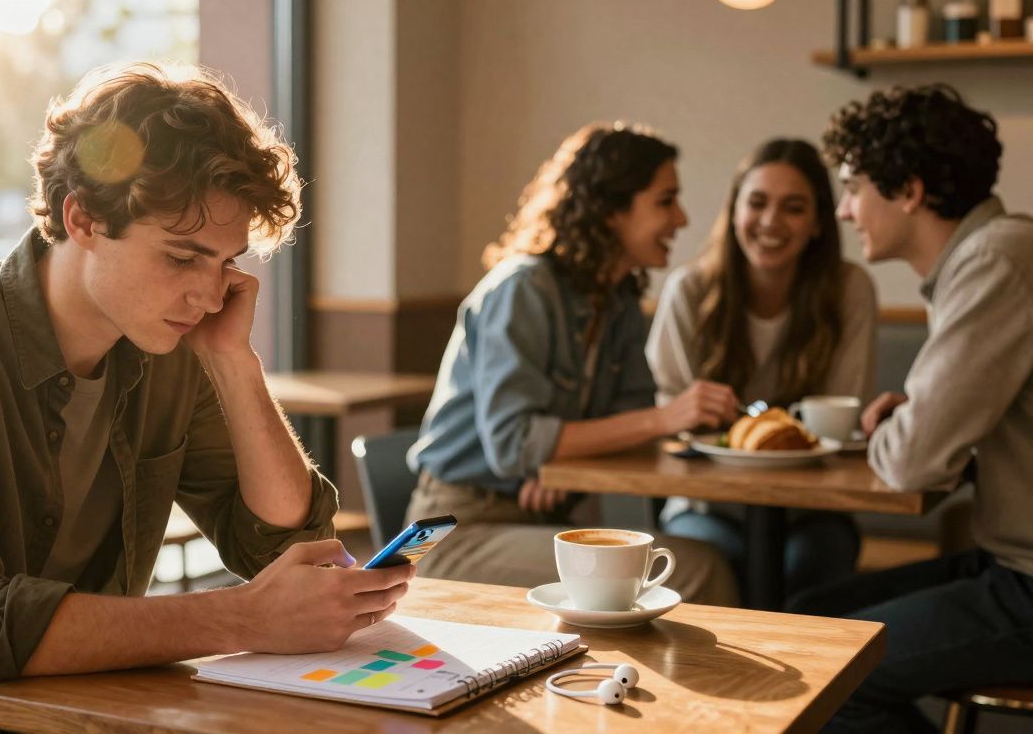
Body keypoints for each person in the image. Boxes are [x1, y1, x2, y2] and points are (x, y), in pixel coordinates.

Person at [0, 62, 414, 732]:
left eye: (225, 263)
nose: (209, 297)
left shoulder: (167, 349)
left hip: (74, 713)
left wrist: (236, 363)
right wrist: (242, 616)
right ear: (82, 218)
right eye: (181, 258)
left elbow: (287, 546)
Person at [405, 123, 739, 607]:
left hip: (538, 516)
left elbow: (628, 417)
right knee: (696, 569)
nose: (682, 218)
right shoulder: (523, 289)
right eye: (665, 201)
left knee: (697, 561)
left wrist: (556, 462)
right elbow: (515, 444)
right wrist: (666, 419)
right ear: (610, 209)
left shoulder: (619, 299)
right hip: (454, 530)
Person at [791, 84, 1033, 732]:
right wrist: (919, 416)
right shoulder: (991, 258)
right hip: (1009, 564)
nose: (843, 211)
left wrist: (909, 427)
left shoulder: (997, 262)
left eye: (853, 188)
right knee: (798, 623)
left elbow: (912, 465)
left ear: (909, 191)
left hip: (1027, 582)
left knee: (816, 671)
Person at [646, 138, 878, 601]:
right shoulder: (688, 290)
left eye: (794, 208)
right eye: (757, 203)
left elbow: (839, 415)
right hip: (706, 503)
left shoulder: (849, 289)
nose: (771, 222)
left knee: (812, 567)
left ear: (817, 223)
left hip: (811, 505)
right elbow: (670, 417)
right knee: (717, 563)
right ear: (733, 212)